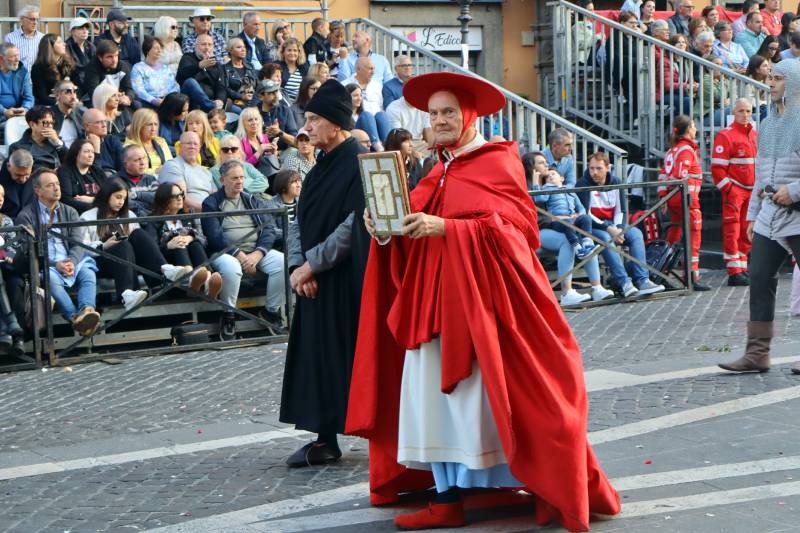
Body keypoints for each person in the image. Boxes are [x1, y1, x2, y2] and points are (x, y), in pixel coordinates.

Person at [346, 71, 620, 531]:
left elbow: (517, 233)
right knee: (431, 402)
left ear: (468, 115)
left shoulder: (498, 162)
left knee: (487, 403)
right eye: (434, 114)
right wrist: (385, 230)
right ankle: (446, 497)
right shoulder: (437, 169)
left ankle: (527, 484)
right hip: (431, 304)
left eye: (448, 112)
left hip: (484, 309)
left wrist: (448, 228)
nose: (440, 121)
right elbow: (413, 231)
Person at [280, 79, 370, 467]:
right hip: (313, 279)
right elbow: (298, 217)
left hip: (343, 280)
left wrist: (312, 264)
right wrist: (297, 267)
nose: (307, 127)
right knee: (316, 358)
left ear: (335, 122)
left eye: (315, 119)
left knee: (344, 357)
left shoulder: (358, 162)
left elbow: (354, 225)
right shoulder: (318, 165)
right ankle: (324, 437)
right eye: (307, 118)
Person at [718, 58, 800, 374]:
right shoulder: (766, 126)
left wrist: (794, 190)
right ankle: (757, 354)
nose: (771, 82)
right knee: (760, 277)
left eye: (778, 78)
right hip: (770, 216)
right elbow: (760, 176)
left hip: (797, 215)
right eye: (771, 77)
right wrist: (753, 214)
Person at [202, 159, 285, 340]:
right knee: (232, 268)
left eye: (242, 177)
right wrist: (239, 255)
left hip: (254, 251)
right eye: (234, 178)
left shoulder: (252, 200)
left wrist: (258, 253)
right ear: (222, 180)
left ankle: (271, 311)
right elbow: (214, 236)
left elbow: (269, 229)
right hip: (225, 252)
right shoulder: (211, 202)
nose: (240, 181)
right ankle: (228, 314)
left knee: (282, 262)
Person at [79, 178, 193, 304]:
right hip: (101, 262)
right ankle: (126, 294)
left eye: (124, 198)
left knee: (137, 233)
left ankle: (165, 269)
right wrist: (104, 246)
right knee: (123, 245)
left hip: (129, 260)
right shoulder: (88, 217)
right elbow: (82, 250)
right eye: (118, 197)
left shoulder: (129, 215)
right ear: (106, 195)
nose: (121, 202)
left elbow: (139, 244)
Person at [16, 168, 101, 336]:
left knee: (88, 274)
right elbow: (29, 251)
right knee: (51, 279)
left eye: (57, 184)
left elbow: (77, 243)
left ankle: (87, 310)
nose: (56, 188)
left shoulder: (70, 211)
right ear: (37, 190)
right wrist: (56, 264)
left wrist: (72, 262)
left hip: (72, 260)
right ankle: (75, 317)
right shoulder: (26, 216)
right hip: (47, 264)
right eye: (50, 185)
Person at [576, 152, 665, 297]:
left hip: (614, 225)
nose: (594, 172)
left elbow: (621, 210)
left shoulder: (616, 181)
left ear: (607, 168)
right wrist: (609, 228)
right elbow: (586, 214)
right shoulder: (582, 184)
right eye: (591, 168)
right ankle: (624, 282)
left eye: (598, 168)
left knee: (636, 234)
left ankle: (643, 280)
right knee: (605, 238)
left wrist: (619, 229)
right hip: (593, 227)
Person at [658, 114, 710, 291]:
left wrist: (663, 196)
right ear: (688, 130)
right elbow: (681, 176)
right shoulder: (686, 150)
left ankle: (661, 270)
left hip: (674, 199)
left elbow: (663, 175)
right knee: (693, 237)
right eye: (693, 126)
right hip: (687, 200)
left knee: (674, 234)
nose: (695, 129)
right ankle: (691, 276)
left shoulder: (672, 150)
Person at [147, 181, 223, 299]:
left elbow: (204, 240)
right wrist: (168, 245)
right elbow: (151, 250)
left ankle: (208, 281)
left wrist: (190, 237)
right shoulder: (153, 220)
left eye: (181, 194)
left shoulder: (187, 215)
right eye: (175, 196)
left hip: (193, 256)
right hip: (171, 264)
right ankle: (190, 280)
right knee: (179, 242)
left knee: (195, 243)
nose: (180, 198)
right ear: (164, 199)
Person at [711, 98, 757, 287]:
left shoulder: (753, 134)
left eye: (748, 111)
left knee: (747, 230)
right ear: (733, 113)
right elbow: (717, 169)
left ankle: (742, 267)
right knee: (732, 230)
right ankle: (733, 271)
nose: (745, 115)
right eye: (741, 111)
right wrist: (730, 190)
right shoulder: (725, 135)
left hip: (751, 191)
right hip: (735, 191)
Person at [535, 167, 597, 258]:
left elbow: (581, 207)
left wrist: (579, 214)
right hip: (558, 221)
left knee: (586, 218)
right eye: (547, 177)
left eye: (553, 174)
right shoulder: (547, 188)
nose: (550, 176)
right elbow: (539, 199)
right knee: (567, 223)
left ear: (562, 178)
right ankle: (578, 250)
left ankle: (587, 243)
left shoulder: (570, 190)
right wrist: (536, 184)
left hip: (572, 218)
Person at [159, 131, 217, 212]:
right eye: (188, 143)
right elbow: (183, 200)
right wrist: (207, 210)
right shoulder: (173, 165)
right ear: (180, 146)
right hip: (189, 216)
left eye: (195, 144)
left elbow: (215, 197)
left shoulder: (206, 172)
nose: (192, 146)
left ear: (199, 147)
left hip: (209, 214)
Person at [177, 34, 227, 112]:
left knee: (236, 110)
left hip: (212, 99)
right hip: (191, 100)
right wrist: (199, 66)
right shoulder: (187, 57)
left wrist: (220, 100)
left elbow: (221, 86)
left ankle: (213, 106)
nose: (207, 47)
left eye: (210, 45)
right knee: (190, 81)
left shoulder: (216, 64)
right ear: (196, 46)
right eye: (203, 44)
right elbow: (181, 74)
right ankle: (211, 106)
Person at [9, 105, 66, 171]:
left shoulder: (55, 142)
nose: (50, 126)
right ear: (32, 124)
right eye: (46, 123)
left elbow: (70, 161)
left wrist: (58, 142)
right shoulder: (18, 148)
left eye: (52, 123)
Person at [81, 40, 134, 110]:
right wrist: (115, 96)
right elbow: (94, 93)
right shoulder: (92, 68)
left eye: (116, 56)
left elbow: (129, 88)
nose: (114, 60)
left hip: (118, 100)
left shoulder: (123, 66)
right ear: (100, 58)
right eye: (109, 57)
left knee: (136, 105)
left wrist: (127, 97)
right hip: (99, 102)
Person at [56, 138, 105, 213]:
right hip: (77, 214)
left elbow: (109, 195)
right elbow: (66, 200)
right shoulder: (64, 171)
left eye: (92, 152)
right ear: (76, 154)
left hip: (101, 212)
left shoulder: (98, 171)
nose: (91, 155)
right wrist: (97, 205)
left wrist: (92, 200)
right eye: (86, 151)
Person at [131, 36, 180, 109]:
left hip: (168, 102)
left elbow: (175, 86)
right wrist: (154, 100)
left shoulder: (165, 68)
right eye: (156, 48)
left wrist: (168, 99)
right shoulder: (138, 68)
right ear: (147, 50)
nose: (159, 50)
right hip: (148, 103)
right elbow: (138, 90)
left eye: (160, 48)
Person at [30, 34, 76, 107]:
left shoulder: (68, 63)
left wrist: (73, 99)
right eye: (59, 42)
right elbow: (41, 96)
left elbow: (77, 85)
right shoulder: (38, 67)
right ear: (50, 47)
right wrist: (61, 102)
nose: (64, 44)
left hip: (70, 102)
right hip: (49, 105)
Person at [124, 108, 173, 174]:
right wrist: (155, 171)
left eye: (155, 124)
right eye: (149, 124)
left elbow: (170, 163)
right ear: (139, 126)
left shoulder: (161, 142)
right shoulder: (130, 146)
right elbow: (133, 171)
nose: (153, 129)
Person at [117, 144, 159, 214]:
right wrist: (147, 204)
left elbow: (158, 199)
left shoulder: (151, 179)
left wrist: (136, 195)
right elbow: (123, 203)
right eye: (137, 160)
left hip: (152, 219)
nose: (142, 163)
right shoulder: (116, 181)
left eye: (144, 158)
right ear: (126, 164)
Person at [82, 108, 125, 176]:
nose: (104, 125)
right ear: (87, 126)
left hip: (116, 178)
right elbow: (94, 174)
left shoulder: (112, 140)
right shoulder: (80, 145)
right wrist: (96, 151)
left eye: (105, 121)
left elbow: (124, 167)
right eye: (99, 122)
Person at [0, 43, 34, 129]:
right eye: (12, 56)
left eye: (17, 55)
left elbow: (29, 97)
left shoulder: (22, 72)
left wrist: (25, 109)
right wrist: (4, 111)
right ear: (1, 59)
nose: (17, 59)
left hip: (18, 115)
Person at [255, 79, 297, 148]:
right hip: (260, 151)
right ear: (261, 97)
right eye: (270, 93)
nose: (276, 95)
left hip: (283, 151)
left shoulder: (285, 110)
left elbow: (295, 141)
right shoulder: (253, 113)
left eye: (276, 91)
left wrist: (279, 132)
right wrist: (264, 135)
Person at [236, 106, 279, 174]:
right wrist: (258, 152)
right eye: (250, 120)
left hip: (269, 173)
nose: (254, 122)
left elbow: (271, 161)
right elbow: (242, 167)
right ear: (243, 123)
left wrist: (274, 152)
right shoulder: (238, 141)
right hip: (251, 176)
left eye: (256, 119)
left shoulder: (263, 137)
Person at [347, 84, 387, 152]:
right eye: (355, 95)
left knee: (381, 115)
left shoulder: (361, 114)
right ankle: (378, 147)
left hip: (371, 144)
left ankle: (389, 146)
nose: (359, 98)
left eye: (360, 95)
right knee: (366, 115)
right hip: (357, 144)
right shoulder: (343, 115)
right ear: (346, 97)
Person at [4, 5, 44, 72]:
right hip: (17, 76)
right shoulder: (10, 38)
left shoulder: (43, 38)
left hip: (37, 77)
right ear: (22, 19)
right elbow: (6, 61)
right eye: (32, 19)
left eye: (37, 19)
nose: (35, 22)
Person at [224, 37, 257, 113]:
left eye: (244, 47)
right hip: (235, 102)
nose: (243, 49)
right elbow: (226, 89)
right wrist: (241, 96)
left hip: (252, 100)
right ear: (230, 50)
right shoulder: (225, 68)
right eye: (239, 47)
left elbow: (257, 85)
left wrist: (253, 97)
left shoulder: (250, 66)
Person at [49, 79, 84, 150]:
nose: (73, 97)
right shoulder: (47, 116)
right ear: (57, 95)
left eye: (75, 92)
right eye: (68, 92)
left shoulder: (81, 115)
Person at [0, 149, 33, 218]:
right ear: (8, 166)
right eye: (18, 175)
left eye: (27, 175)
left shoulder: (38, 177)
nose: (23, 180)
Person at [65, 17, 95, 89]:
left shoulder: (91, 46)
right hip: (73, 86)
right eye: (81, 28)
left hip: (90, 84)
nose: (85, 31)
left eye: (87, 28)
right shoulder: (66, 47)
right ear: (72, 31)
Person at [278, 38, 309, 106]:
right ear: (283, 52)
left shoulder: (304, 68)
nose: (292, 53)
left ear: (299, 53)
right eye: (289, 50)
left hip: (300, 105)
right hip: (284, 105)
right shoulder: (277, 67)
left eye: (295, 50)